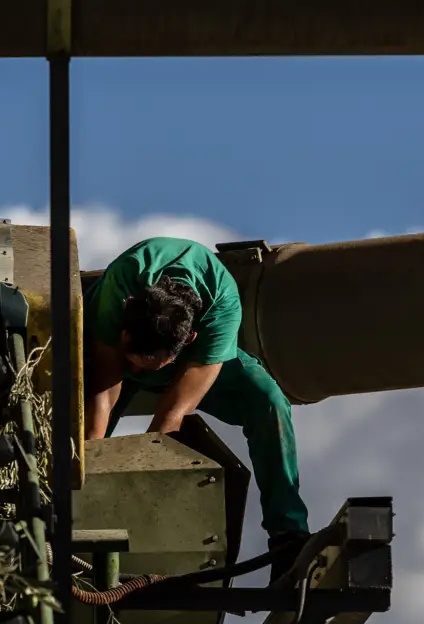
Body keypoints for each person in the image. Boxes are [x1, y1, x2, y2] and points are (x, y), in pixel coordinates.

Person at [83, 238, 311, 580]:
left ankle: (288, 536)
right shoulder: (124, 282)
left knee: (269, 402)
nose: (142, 371)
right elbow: (104, 386)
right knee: (85, 439)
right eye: (138, 361)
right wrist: (85, 468)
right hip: (106, 356)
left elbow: (168, 422)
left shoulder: (222, 306)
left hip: (195, 363)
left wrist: (142, 508)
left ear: (188, 340)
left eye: (152, 366)